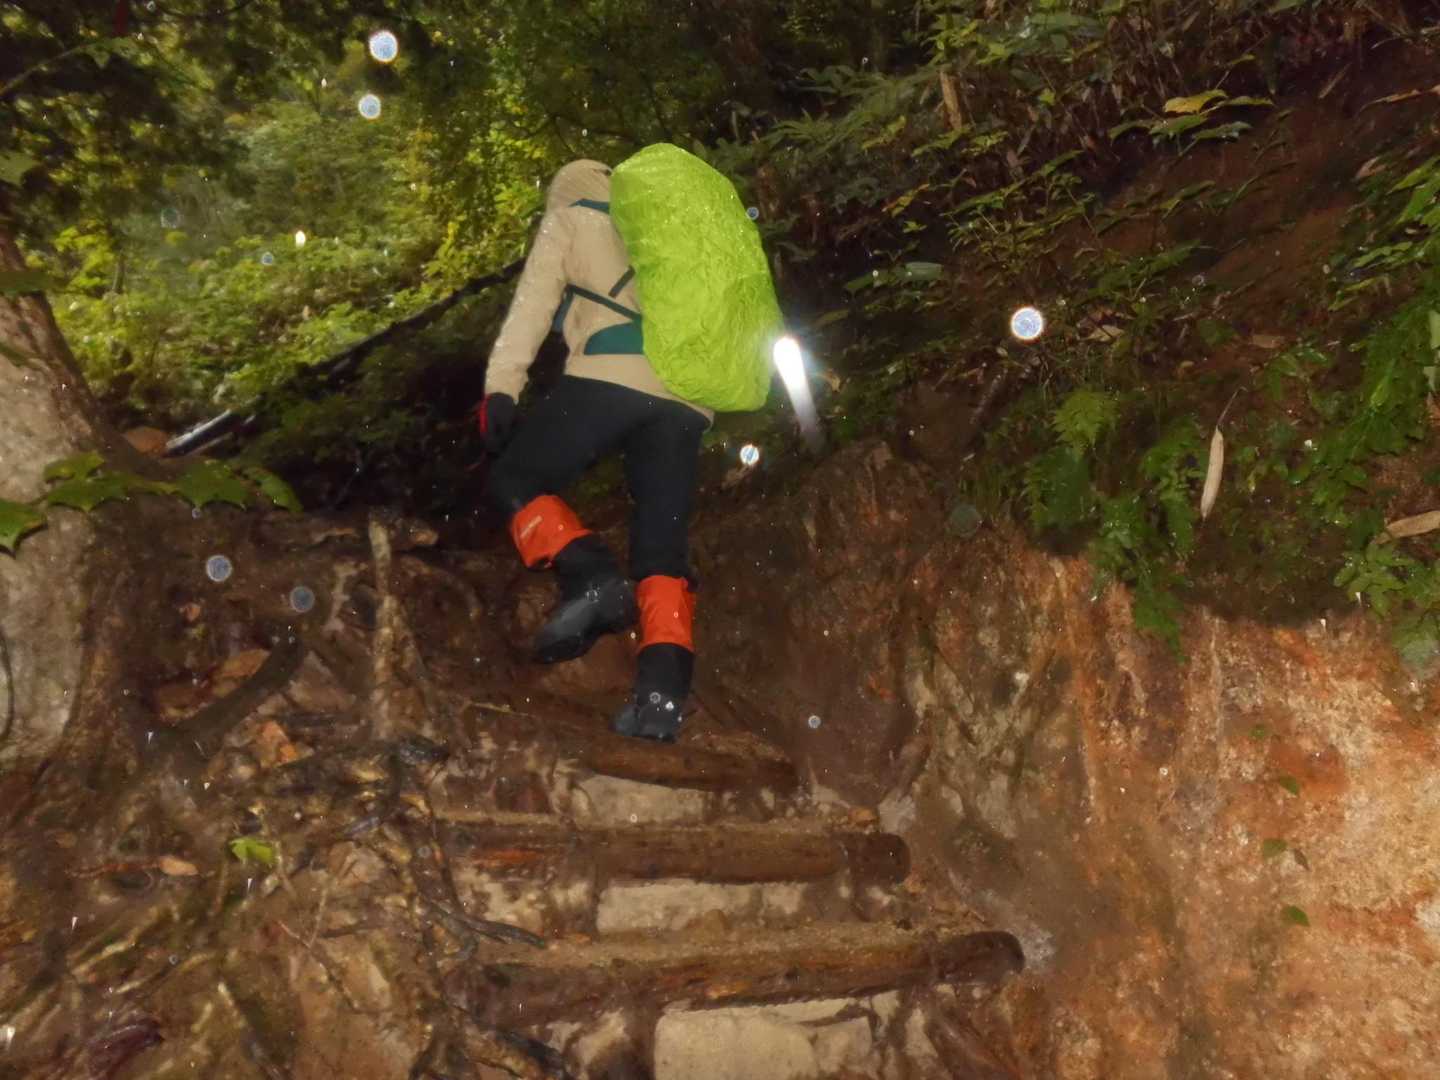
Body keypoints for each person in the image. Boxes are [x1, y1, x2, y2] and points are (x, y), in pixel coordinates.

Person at [477, 159, 712, 743]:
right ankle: (661, 696)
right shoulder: (664, 229)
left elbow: (532, 307)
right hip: (690, 396)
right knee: (662, 548)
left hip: (612, 373)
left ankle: (591, 575)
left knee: (515, 478)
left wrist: (502, 388)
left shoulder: (571, 218)